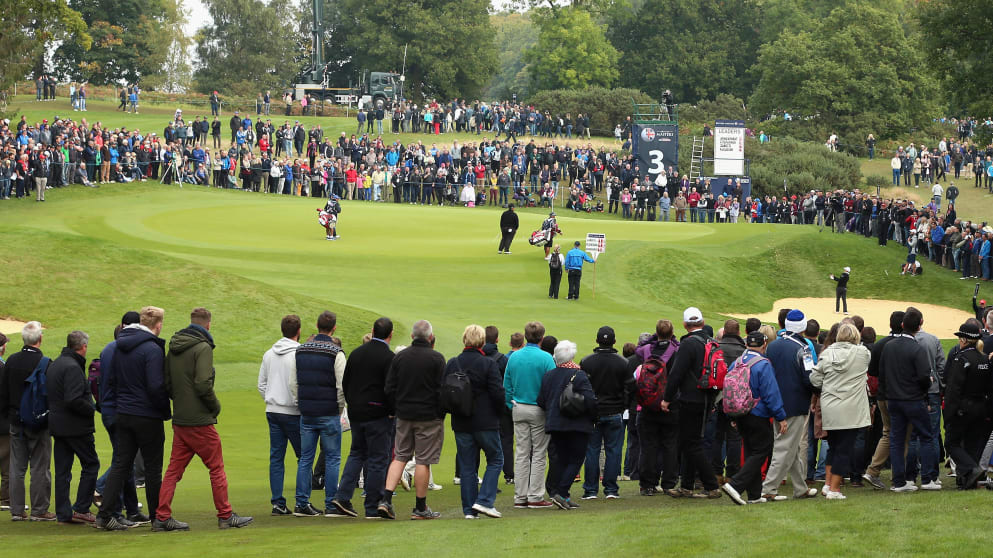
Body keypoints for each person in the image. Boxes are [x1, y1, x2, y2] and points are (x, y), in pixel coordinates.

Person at [158, 308, 252, 530]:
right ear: (208, 324)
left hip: (180, 418)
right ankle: (226, 515)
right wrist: (214, 406)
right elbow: (202, 383)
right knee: (216, 467)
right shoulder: (203, 347)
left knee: (173, 471)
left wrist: (180, 401)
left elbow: (168, 383)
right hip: (200, 420)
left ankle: (162, 517)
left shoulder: (173, 347)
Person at [96, 307, 169, 531]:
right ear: (157, 325)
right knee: (153, 467)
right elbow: (155, 385)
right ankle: (159, 519)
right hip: (146, 414)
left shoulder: (119, 346)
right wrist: (164, 410)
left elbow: (111, 380)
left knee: (121, 464)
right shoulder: (151, 349)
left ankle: (105, 515)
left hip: (123, 413)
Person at [378, 320, 446, 520]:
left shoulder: (400, 357)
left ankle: (386, 500)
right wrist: (440, 412)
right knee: (423, 461)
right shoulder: (436, 358)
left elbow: (389, 388)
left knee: (400, 456)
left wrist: (394, 409)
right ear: (431, 337)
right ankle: (420, 507)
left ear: (412, 336)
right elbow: (442, 391)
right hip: (428, 416)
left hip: (405, 414)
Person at [327, 317, 395, 519]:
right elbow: (390, 388)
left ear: (373, 331)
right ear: (390, 335)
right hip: (378, 413)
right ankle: (372, 505)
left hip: (356, 412)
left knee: (357, 453)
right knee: (377, 458)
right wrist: (392, 410)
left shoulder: (356, 353)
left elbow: (346, 383)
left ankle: (343, 496)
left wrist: (353, 404)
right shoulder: (388, 357)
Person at [660, 308, 721, 499]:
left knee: (691, 443)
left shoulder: (688, 344)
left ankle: (711, 485)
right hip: (707, 397)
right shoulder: (712, 342)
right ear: (702, 323)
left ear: (685, 325)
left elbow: (676, 374)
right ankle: (686, 486)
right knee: (689, 442)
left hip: (690, 399)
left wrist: (666, 398)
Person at [445, 325, 505, 519]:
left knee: (467, 466)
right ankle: (485, 501)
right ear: (482, 341)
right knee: (496, 459)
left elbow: (444, 392)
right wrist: (500, 414)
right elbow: (497, 393)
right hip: (485, 421)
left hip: (461, 421)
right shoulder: (488, 364)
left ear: (464, 340)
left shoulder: (453, 363)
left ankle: (469, 509)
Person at [721, 331, 787, 505]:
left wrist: (732, 415)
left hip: (740, 413)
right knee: (761, 451)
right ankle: (735, 485)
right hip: (758, 413)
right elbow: (770, 392)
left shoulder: (737, 362)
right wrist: (780, 416)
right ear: (764, 344)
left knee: (751, 451)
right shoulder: (762, 363)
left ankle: (754, 494)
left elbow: (729, 389)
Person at [760, 309, 819, 501]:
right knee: (785, 447)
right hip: (795, 402)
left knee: (791, 447)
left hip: (775, 401)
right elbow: (809, 378)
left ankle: (800, 488)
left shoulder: (773, 346)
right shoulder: (804, 349)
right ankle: (769, 488)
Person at [293, 311, 347, 517]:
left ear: (317, 326)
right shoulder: (336, 352)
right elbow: (342, 386)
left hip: (307, 412)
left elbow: (293, 382)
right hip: (329, 412)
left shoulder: (301, 350)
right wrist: (339, 408)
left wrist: (300, 403)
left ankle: (301, 503)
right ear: (334, 328)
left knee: (306, 458)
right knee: (333, 458)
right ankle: (331, 504)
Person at [809, 323, 871, 500]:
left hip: (830, 405)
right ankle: (835, 489)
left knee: (834, 447)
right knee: (844, 449)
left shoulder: (827, 353)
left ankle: (829, 485)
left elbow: (814, 379)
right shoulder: (863, 353)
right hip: (851, 408)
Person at [881, 307, 939, 492]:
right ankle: (928, 478)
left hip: (894, 399)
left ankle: (899, 481)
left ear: (903, 325)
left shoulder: (889, 346)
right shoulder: (917, 348)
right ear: (920, 325)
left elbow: (882, 374)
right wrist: (925, 386)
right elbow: (924, 377)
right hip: (913, 399)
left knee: (897, 439)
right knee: (926, 436)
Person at [1, 321, 53, 521]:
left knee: (17, 467)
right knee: (40, 467)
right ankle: (39, 510)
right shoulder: (46, 362)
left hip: (16, 422)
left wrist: (9, 415)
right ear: (40, 339)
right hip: (39, 423)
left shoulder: (11, 361)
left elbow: (4, 393)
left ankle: (17, 510)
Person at [45, 331, 99, 524]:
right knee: (91, 464)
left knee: (62, 471)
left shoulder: (57, 363)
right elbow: (74, 399)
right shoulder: (72, 367)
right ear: (83, 347)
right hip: (75, 426)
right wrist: (91, 408)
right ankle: (82, 508)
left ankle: (63, 513)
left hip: (58, 425)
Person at [539, 340, 597, 510]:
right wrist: (593, 417)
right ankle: (561, 492)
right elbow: (590, 401)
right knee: (576, 459)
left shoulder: (548, 375)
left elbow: (541, 400)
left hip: (555, 423)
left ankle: (563, 494)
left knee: (562, 460)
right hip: (577, 424)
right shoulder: (579, 375)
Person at [504, 321, 557, 509]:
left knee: (522, 452)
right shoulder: (546, 358)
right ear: (542, 338)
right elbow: (552, 385)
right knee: (539, 454)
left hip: (518, 406)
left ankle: (520, 496)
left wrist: (511, 404)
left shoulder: (514, 357)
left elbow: (507, 384)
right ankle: (535, 496)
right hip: (538, 408)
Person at [579, 326, 632, 500]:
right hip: (614, 411)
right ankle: (610, 489)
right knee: (613, 451)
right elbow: (630, 388)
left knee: (592, 450)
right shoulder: (623, 362)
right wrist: (623, 405)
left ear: (597, 340)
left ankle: (591, 490)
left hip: (593, 413)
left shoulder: (587, 362)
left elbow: (580, 388)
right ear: (614, 342)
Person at [257, 314, 302, 516]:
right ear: (298, 331)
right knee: (304, 456)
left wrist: (271, 398)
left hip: (273, 410)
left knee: (276, 457)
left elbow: (261, 385)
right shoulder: (299, 353)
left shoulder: (269, 353)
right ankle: (303, 500)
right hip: (292, 412)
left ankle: (278, 502)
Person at [943, 322, 992, 489]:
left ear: (964, 339)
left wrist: (948, 413)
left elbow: (953, 389)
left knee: (951, 443)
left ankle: (971, 470)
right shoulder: (984, 358)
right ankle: (969, 481)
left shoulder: (961, 358)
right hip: (980, 408)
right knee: (971, 444)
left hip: (963, 408)